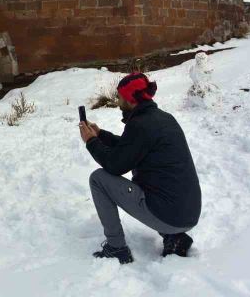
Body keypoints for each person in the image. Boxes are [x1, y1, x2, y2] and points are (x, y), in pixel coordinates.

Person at [79, 72, 202, 264]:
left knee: (99, 179)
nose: (118, 101)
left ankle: (116, 247)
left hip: (170, 214)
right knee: (156, 187)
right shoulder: (162, 118)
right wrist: (101, 135)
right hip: (186, 212)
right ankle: (175, 237)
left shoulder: (141, 124)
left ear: (130, 99)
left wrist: (91, 142)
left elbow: (115, 165)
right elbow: (131, 148)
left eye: (120, 97)